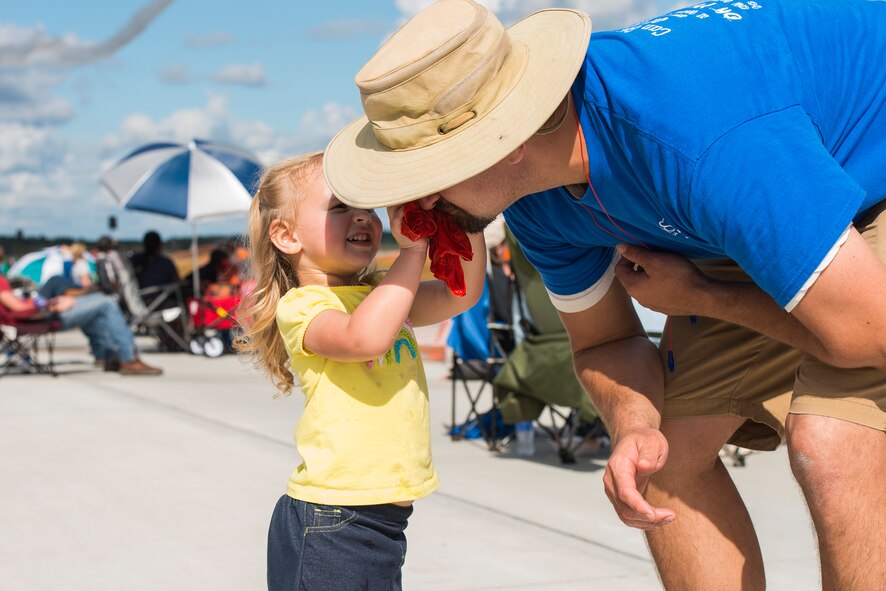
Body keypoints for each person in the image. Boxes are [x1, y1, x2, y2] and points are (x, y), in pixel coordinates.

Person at [322, 1, 886, 589]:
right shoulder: (532, 199)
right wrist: (635, 425)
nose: (414, 205)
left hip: (866, 169)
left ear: (505, 138)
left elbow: (872, 336)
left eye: (425, 175)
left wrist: (703, 296)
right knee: (659, 461)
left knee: (833, 444)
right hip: (761, 204)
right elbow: (606, 340)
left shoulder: (696, 139)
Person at [234, 151, 486, 590]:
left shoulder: (380, 293)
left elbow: (458, 293)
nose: (364, 217)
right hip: (331, 525)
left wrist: (461, 213)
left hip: (382, 523)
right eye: (340, 208)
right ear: (286, 235)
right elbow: (364, 339)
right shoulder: (305, 307)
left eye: (368, 205)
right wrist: (411, 252)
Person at [0, 271, 163, 375]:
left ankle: (106, 355)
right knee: (107, 304)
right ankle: (128, 358)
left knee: (99, 302)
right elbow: (19, 308)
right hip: (41, 318)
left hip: (39, 315)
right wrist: (51, 305)